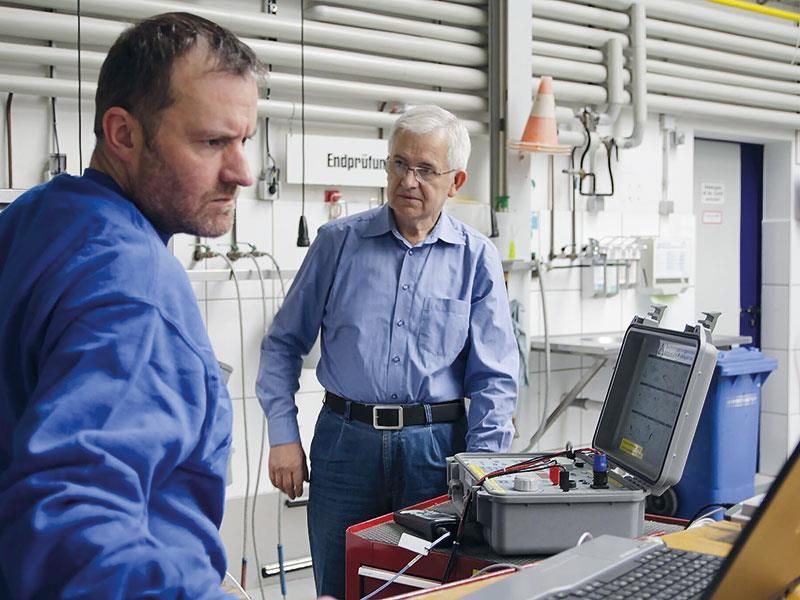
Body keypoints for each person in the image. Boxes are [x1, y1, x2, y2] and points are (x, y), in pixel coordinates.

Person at [0, 13, 262, 598]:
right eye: (212, 141)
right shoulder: (134, 283)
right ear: (123, 134)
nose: (241, 172)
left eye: (244, 139)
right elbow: (71, 533)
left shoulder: (35, 219)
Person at [257, 104, 519, 598]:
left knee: (430, 588)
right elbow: (282, 344)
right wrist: (281, 434)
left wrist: (483, 471)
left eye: (425, 169)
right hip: (344, 445)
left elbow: (495, 378)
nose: (408, 180)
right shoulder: (338, 243)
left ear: (455, 181)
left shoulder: (475, 257)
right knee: (339, 585)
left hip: (436, 450)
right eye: (399, 163)